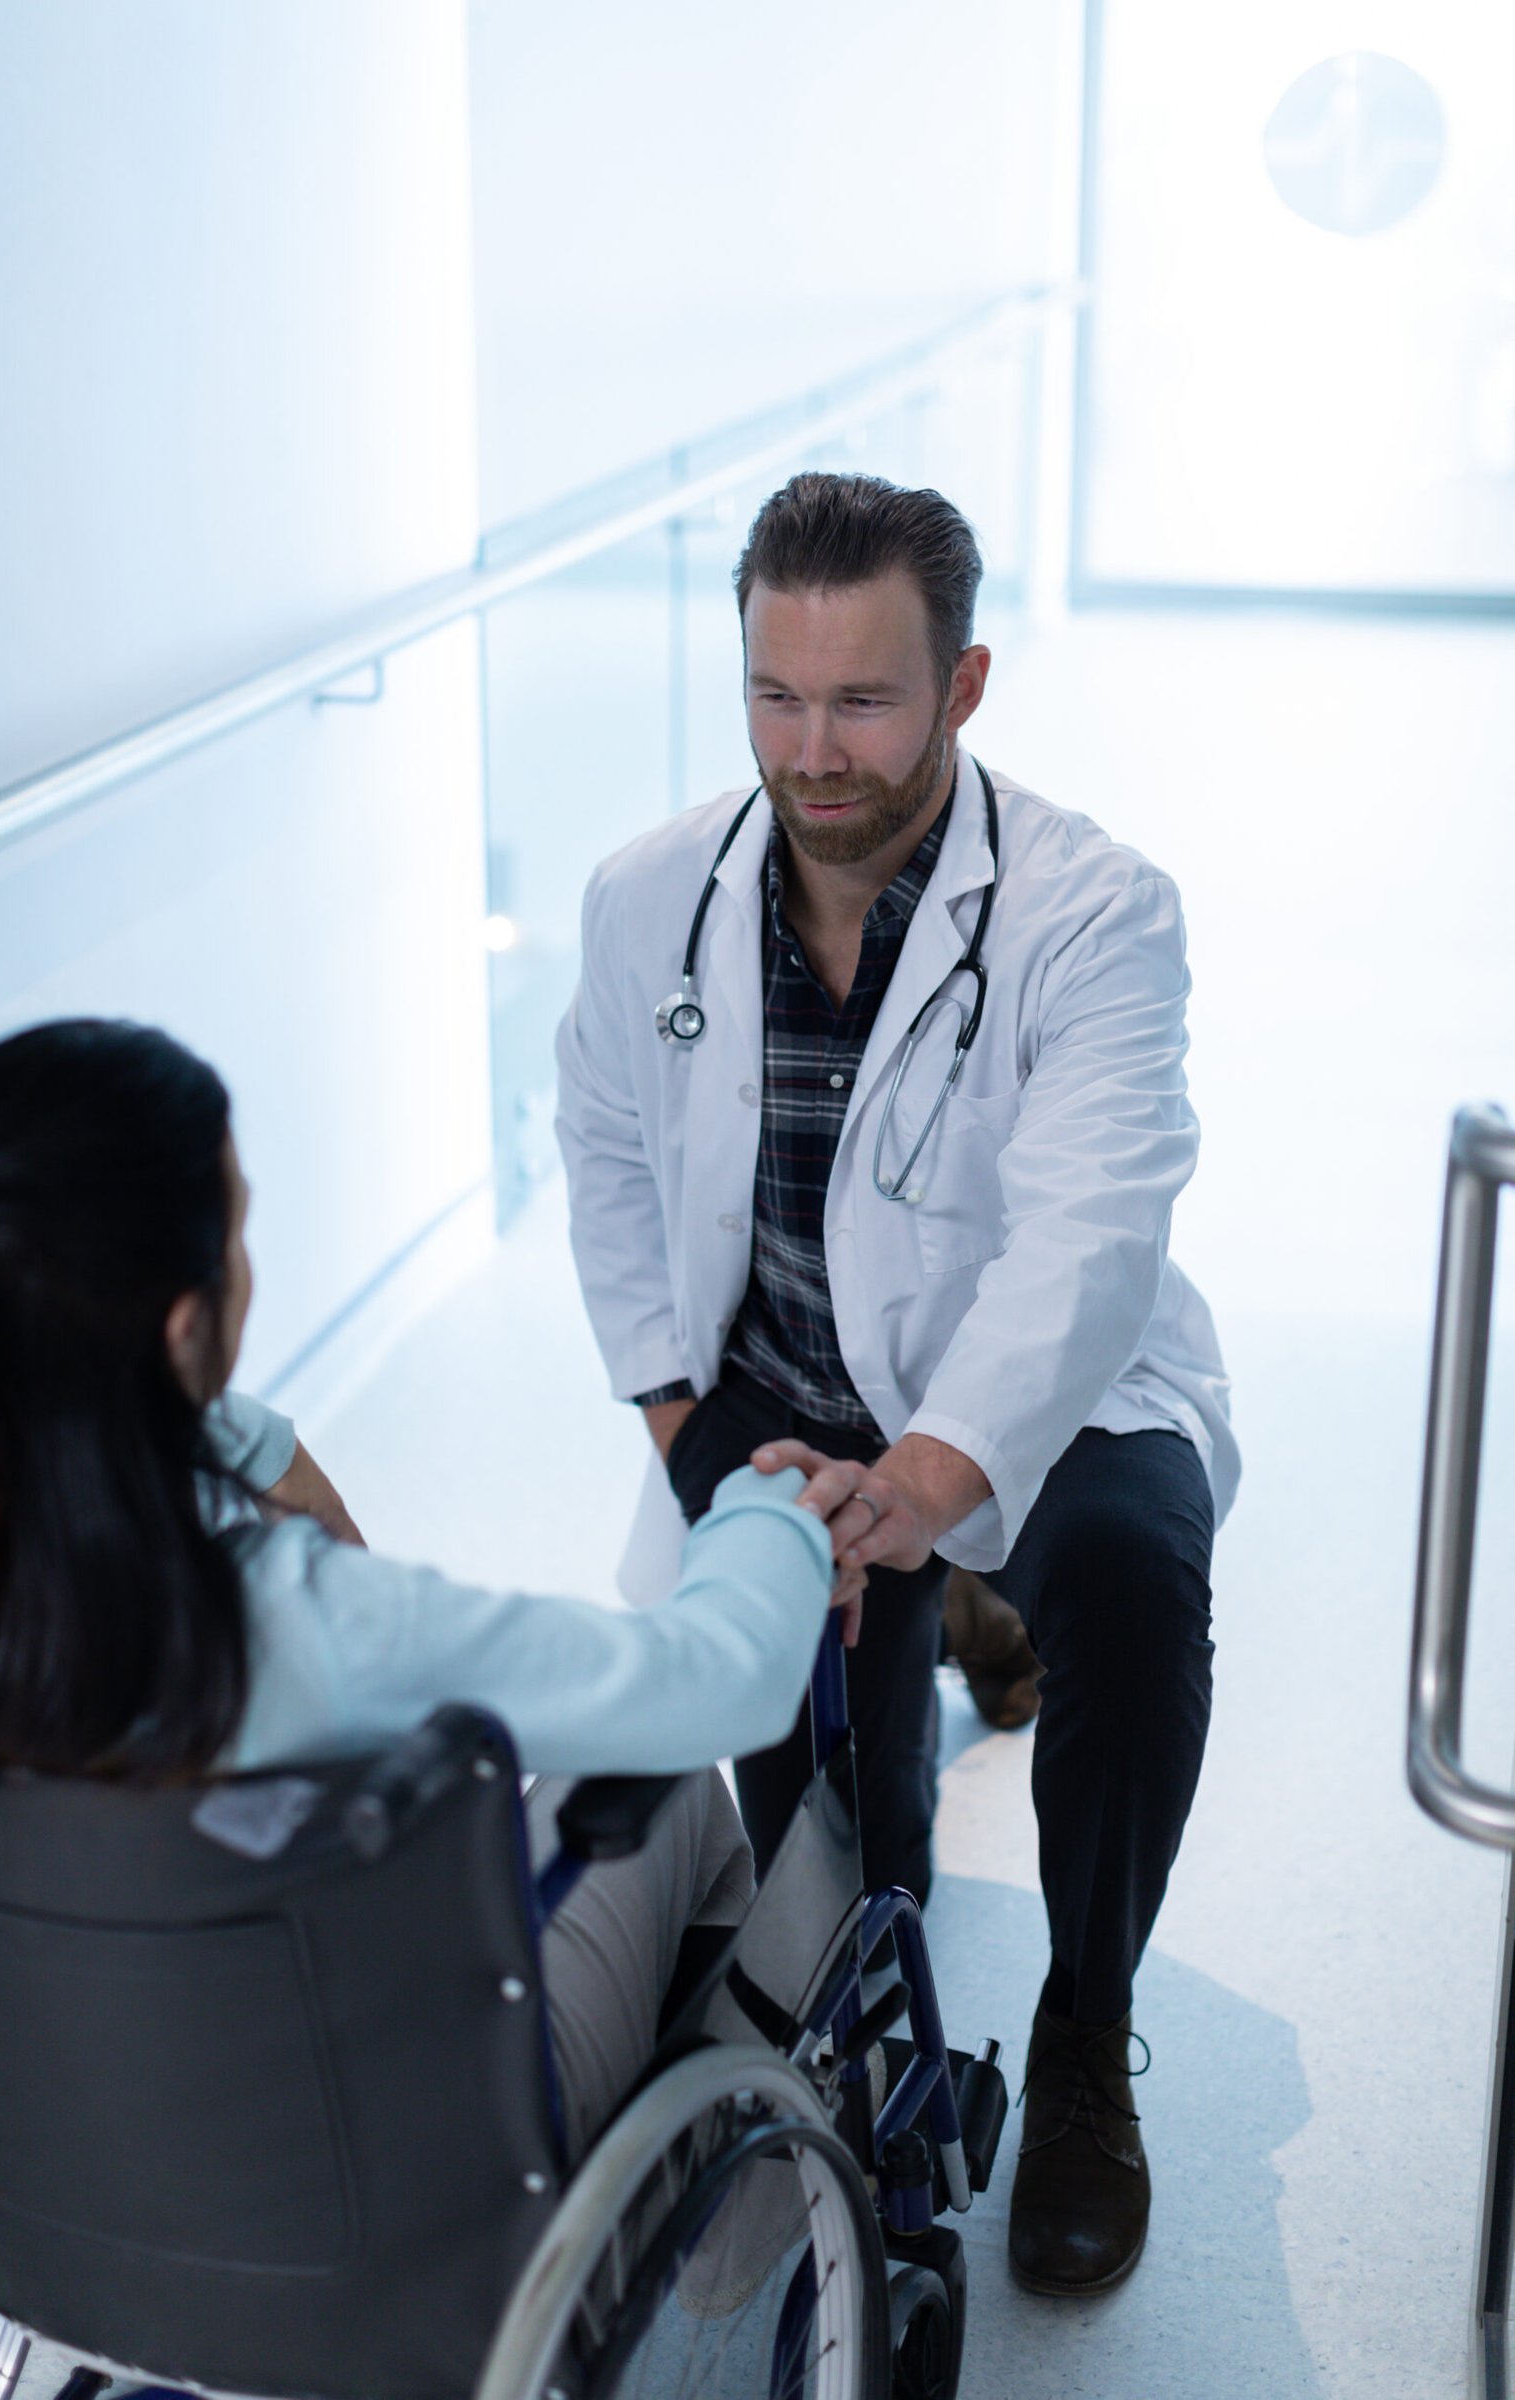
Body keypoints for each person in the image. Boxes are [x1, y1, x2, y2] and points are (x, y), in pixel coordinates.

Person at [556, 471, 1240, 2294]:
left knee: (1125, 1580)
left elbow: (1090, 1238)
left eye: (863, 699)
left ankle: (1090, 2040)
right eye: (776, 695)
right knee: (852, 1864)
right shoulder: (650, 899)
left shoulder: (1097, 916)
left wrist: (930, 1490)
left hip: (1042, 1398)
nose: (813, 749)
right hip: (780, 1394)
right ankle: (916, 1744)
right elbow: (607, 1156)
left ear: (968, 681)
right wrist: (689, 1436)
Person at [0, 1017, 860, 2158]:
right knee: (671, 1779)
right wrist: (767, 1510)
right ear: (180, 1325)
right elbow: (719, 1679)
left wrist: (193, 1417)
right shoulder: (281, 1621)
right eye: (237, 1231)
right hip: (371, 2180)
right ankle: (710, 2204)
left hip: (38, 2172)